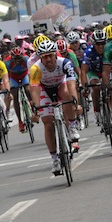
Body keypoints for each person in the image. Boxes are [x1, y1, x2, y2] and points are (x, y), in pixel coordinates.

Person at [29, 40, 80, 174]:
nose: (48, 59)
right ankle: (55, 159)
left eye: (50, 55)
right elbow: (34, 89)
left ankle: (73, 126)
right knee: (48, 124)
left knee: (66, 94)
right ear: (41, 58)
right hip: (44, 89)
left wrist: (76, 103)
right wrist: (35, 109)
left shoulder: (64, 63)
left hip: (60, 85)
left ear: (55, 55)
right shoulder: (35, 68)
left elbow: (71, 84)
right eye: (45, 57)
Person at [81, 30, 107, 127]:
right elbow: (83, 71)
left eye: (103, 43)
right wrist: (85, 86)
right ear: (93, 43)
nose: (101, 46)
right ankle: (97, 112)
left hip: (106, 70)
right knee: (95, 88)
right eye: (98, 44)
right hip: (94, 72)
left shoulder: (108, 50)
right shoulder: (89, 52)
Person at [4, 46, 31, 133]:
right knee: (15, 96)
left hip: (24, 75)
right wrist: (8, 88)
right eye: (15, 58)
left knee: (27, 90)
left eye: (19, 58)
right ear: (12, 57)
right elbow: (6, 76)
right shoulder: (7, 62)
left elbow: (31, 72)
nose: (17, 60)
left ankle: (33, 108)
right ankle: (20, 121)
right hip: (13, 78)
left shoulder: (26, 59)